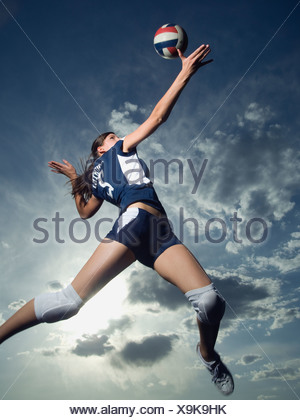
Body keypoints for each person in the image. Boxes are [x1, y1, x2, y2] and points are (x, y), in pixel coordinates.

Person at [0, 45, 234, 395]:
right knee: (68, 303)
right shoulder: (115, 155)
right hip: (134, 221)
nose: (118, 137)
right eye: (110, 137)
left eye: (115, 136)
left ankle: (207, 353)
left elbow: (85, 211)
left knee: (211, 302)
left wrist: (75, 177)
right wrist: (184, 72)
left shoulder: (103, 170)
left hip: (161, 234)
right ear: (101, 149)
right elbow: (155, 119)